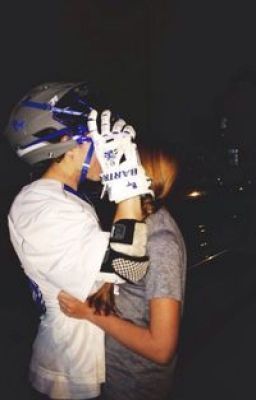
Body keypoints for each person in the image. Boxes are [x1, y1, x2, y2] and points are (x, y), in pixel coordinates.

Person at [4, 81, 153, 400]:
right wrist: (127, 184)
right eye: (97, 138)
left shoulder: (66, 201)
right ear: (67, 145)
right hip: (68, 373)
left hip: (89, 366)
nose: (106, 148)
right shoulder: (39, 205)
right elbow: (127, 265)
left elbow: (109, 271)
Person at [58, 139, 187, 400]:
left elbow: (162, 348)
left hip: (135, 386)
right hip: (112, 377)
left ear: (140, 176)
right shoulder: (132, 225)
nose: (109, 169)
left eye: (122, 163)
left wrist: (89, 313)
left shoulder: (161, 242)